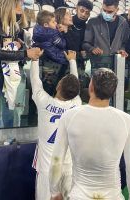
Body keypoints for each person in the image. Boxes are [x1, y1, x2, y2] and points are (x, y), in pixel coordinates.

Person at [49, 68, 130, 200]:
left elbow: (56, 161)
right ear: (113, 92)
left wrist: (54, 191)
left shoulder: (70, 117)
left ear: (91, 87)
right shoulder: (127, 121)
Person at [0, 0, 42, 128]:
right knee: (2, 111)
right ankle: (2, 144)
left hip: (17, 70)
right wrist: (25, 53)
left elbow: (23, 46)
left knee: (16, 110)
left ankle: (14, 142)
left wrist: (23, 48)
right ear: (9, 5)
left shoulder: (15, 24)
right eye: (19, 4)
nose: (22, 7)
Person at [31, 50, 81, 200]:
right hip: (68, 167)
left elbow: (35, 81)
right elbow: (75, 85)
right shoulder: (76, 104)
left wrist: (34, 59)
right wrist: (72, 61)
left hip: (48, 170)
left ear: (58, 86)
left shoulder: (44, 102)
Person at [82, 0, 129, 73]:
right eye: (104, 10)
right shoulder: (92, 22)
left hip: (116, 64)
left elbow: (123, 43)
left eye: (110, 12)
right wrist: (92, 49)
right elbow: (85, 43)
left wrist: (122, 50)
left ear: (117, 10)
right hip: (98, 65)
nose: (106, 13)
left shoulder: (123, 23)